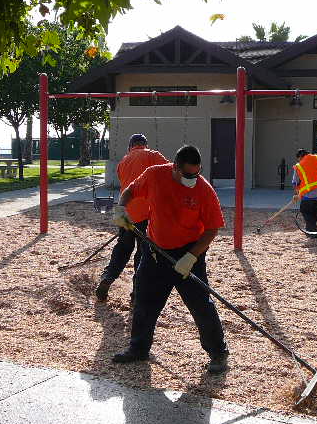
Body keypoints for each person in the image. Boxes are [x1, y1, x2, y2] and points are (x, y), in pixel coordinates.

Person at [110, 145, 229, 374]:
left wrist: (191, 257)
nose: (192, 179)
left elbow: (212, 229)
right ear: (174, 167)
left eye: (196, 174)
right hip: (155, 251)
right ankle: (138, 348)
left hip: (189, 253)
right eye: (187, 175)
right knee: (144, 301)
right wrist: (121, 209)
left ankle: (218, 353)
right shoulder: (155, 174)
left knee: (200, 305)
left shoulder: (204, 190)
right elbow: (130, 191)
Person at [95, 134, 168, 301]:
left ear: (130, 146)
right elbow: (171, 174)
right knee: (143, 253)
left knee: (122, 248)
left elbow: (125, 184)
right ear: (144, 144)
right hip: (147, 214)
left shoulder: (123, 162)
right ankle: (137, 291)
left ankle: (107, 278)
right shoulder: (154, 156)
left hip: (126, 213)